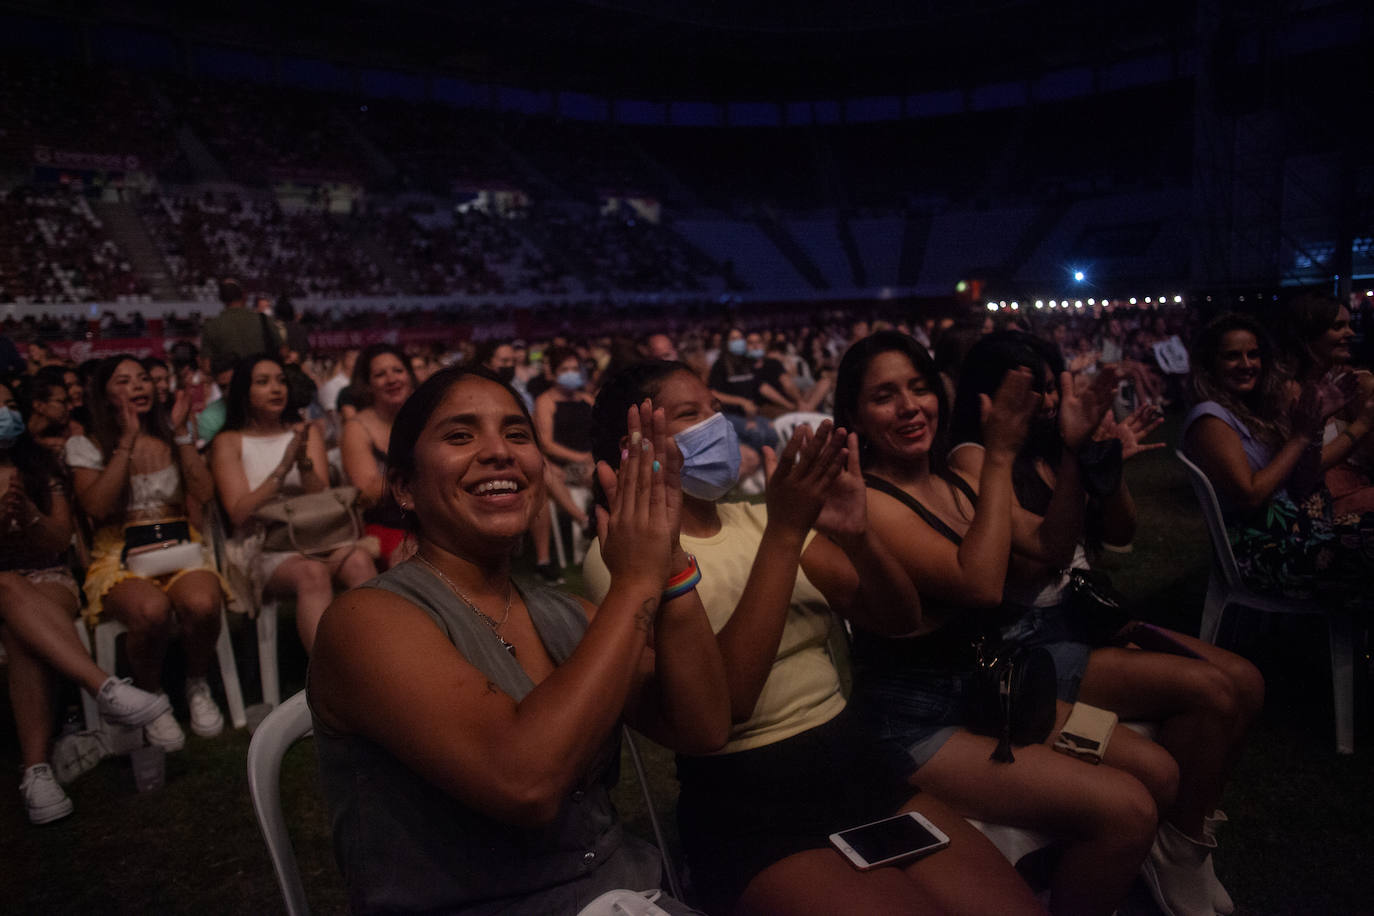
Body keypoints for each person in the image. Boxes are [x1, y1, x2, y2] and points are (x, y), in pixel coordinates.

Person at [584, 361, 1046, 916]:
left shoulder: (753, 519)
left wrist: (858, 539)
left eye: (715, 408)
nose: (717, 425)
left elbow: (897, 617)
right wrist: (786, 531)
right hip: (749, 796)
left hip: (851, 758)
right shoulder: (623, 557)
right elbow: (725, 707)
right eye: (691, 415)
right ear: (636, 445)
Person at [308, 365, 730, 914]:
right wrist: (633, 584)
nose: (499, 452)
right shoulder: (366, 622)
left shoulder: (568, 614)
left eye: (517, 434)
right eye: (461, 436)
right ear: (405, 487)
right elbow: (524, 782)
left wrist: (670, 563)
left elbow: (703, 725)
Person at [832, 331, 1166, 916]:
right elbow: (981, 584)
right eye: (885, 396)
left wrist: (1070, 453)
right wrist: (1002, 455)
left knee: (1157, 771)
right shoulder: (874, 501)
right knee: (1126, 810)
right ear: (854, 417)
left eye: (918, 387)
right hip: (918, 725)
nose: (910, 406)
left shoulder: (955, 477)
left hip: (992, 690)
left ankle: (1108, 880)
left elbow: (1051, 544)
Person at [949, 332, 1264, 916]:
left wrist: (1106, 467)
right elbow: (1038, 555)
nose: (1044, 401)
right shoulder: (973, 457)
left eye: (1049, 386)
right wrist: (1075, 458)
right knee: (1211, 692)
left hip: (1084, 620)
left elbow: (1121, 533)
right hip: (1031, 639)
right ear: (984, 398)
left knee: (1244, 679)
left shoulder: (1051, 446)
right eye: (1026, 390)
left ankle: (1182, 841)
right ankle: (1179, 851)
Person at [0, 383, 170, 823]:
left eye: (7, 405)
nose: (3, 413)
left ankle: (36, 773)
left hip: (42, 579)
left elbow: (58, 541)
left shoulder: (38, 468)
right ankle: (105, 688)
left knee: (18, 618)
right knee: (7, 587)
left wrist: (27, 517)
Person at [64, 356, 229, 749]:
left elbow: (204, 494)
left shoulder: (173, 436)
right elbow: (98, 507)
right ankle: (152, 695)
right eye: (123, 381)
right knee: (150, 611)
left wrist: (182, 435)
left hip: (180, 546)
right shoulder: (85, 444)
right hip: (119, 553)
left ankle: (196, 683)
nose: (137, 386)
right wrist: (126, 441)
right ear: (103, 393)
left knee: (203, 603)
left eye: (142, 379)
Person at [1182, 313, 1372, 605]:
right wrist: (1300, 437)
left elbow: (1302, 482)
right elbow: (1250, 494)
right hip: (1266, 554)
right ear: (1210, 365)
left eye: (1253, 354)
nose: (1246, 365)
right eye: (1232, 356)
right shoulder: (1210, 417)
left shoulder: (1252, 411)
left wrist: (1316, 425)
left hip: (1305, 534)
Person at [210, 355, 376, 651]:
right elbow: (239, 514)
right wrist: (283, 466)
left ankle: (378, 660)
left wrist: (303, 460)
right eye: (263, 382)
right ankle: (330, 674)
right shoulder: (229, 441)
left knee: (359, 561)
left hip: (316, 534)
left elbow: (318, 496)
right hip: (263, 542)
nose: (276, 389)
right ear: (243, 392)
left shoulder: (303, 431)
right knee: (311, 573)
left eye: (280, 381)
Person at [1284, 292, 1374, 514]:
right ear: (1309, 334)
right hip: (1315, 503)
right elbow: (1300, 467)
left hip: (1354, 487)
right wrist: (1362, 424)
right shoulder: (1290, 390)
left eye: (1350, 325)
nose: (1350, 333)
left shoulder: (1350, 380)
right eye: (1338, 327)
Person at [340, 344, 416, 569]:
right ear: (368, 385)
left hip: (435, 519)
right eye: (380, 374)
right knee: (410, 560)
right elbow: (368, 494)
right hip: (387, 523)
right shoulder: (357, 427)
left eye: (398, 371)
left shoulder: (428, 414)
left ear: (409, 376)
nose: (392, 379)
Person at [199, 279, 283, 373]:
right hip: (261, 378)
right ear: (244, 295)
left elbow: (207, 366)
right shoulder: (264, 320)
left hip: (231, 384)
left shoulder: (211, 326)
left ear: (222, 298)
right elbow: (283, 351)